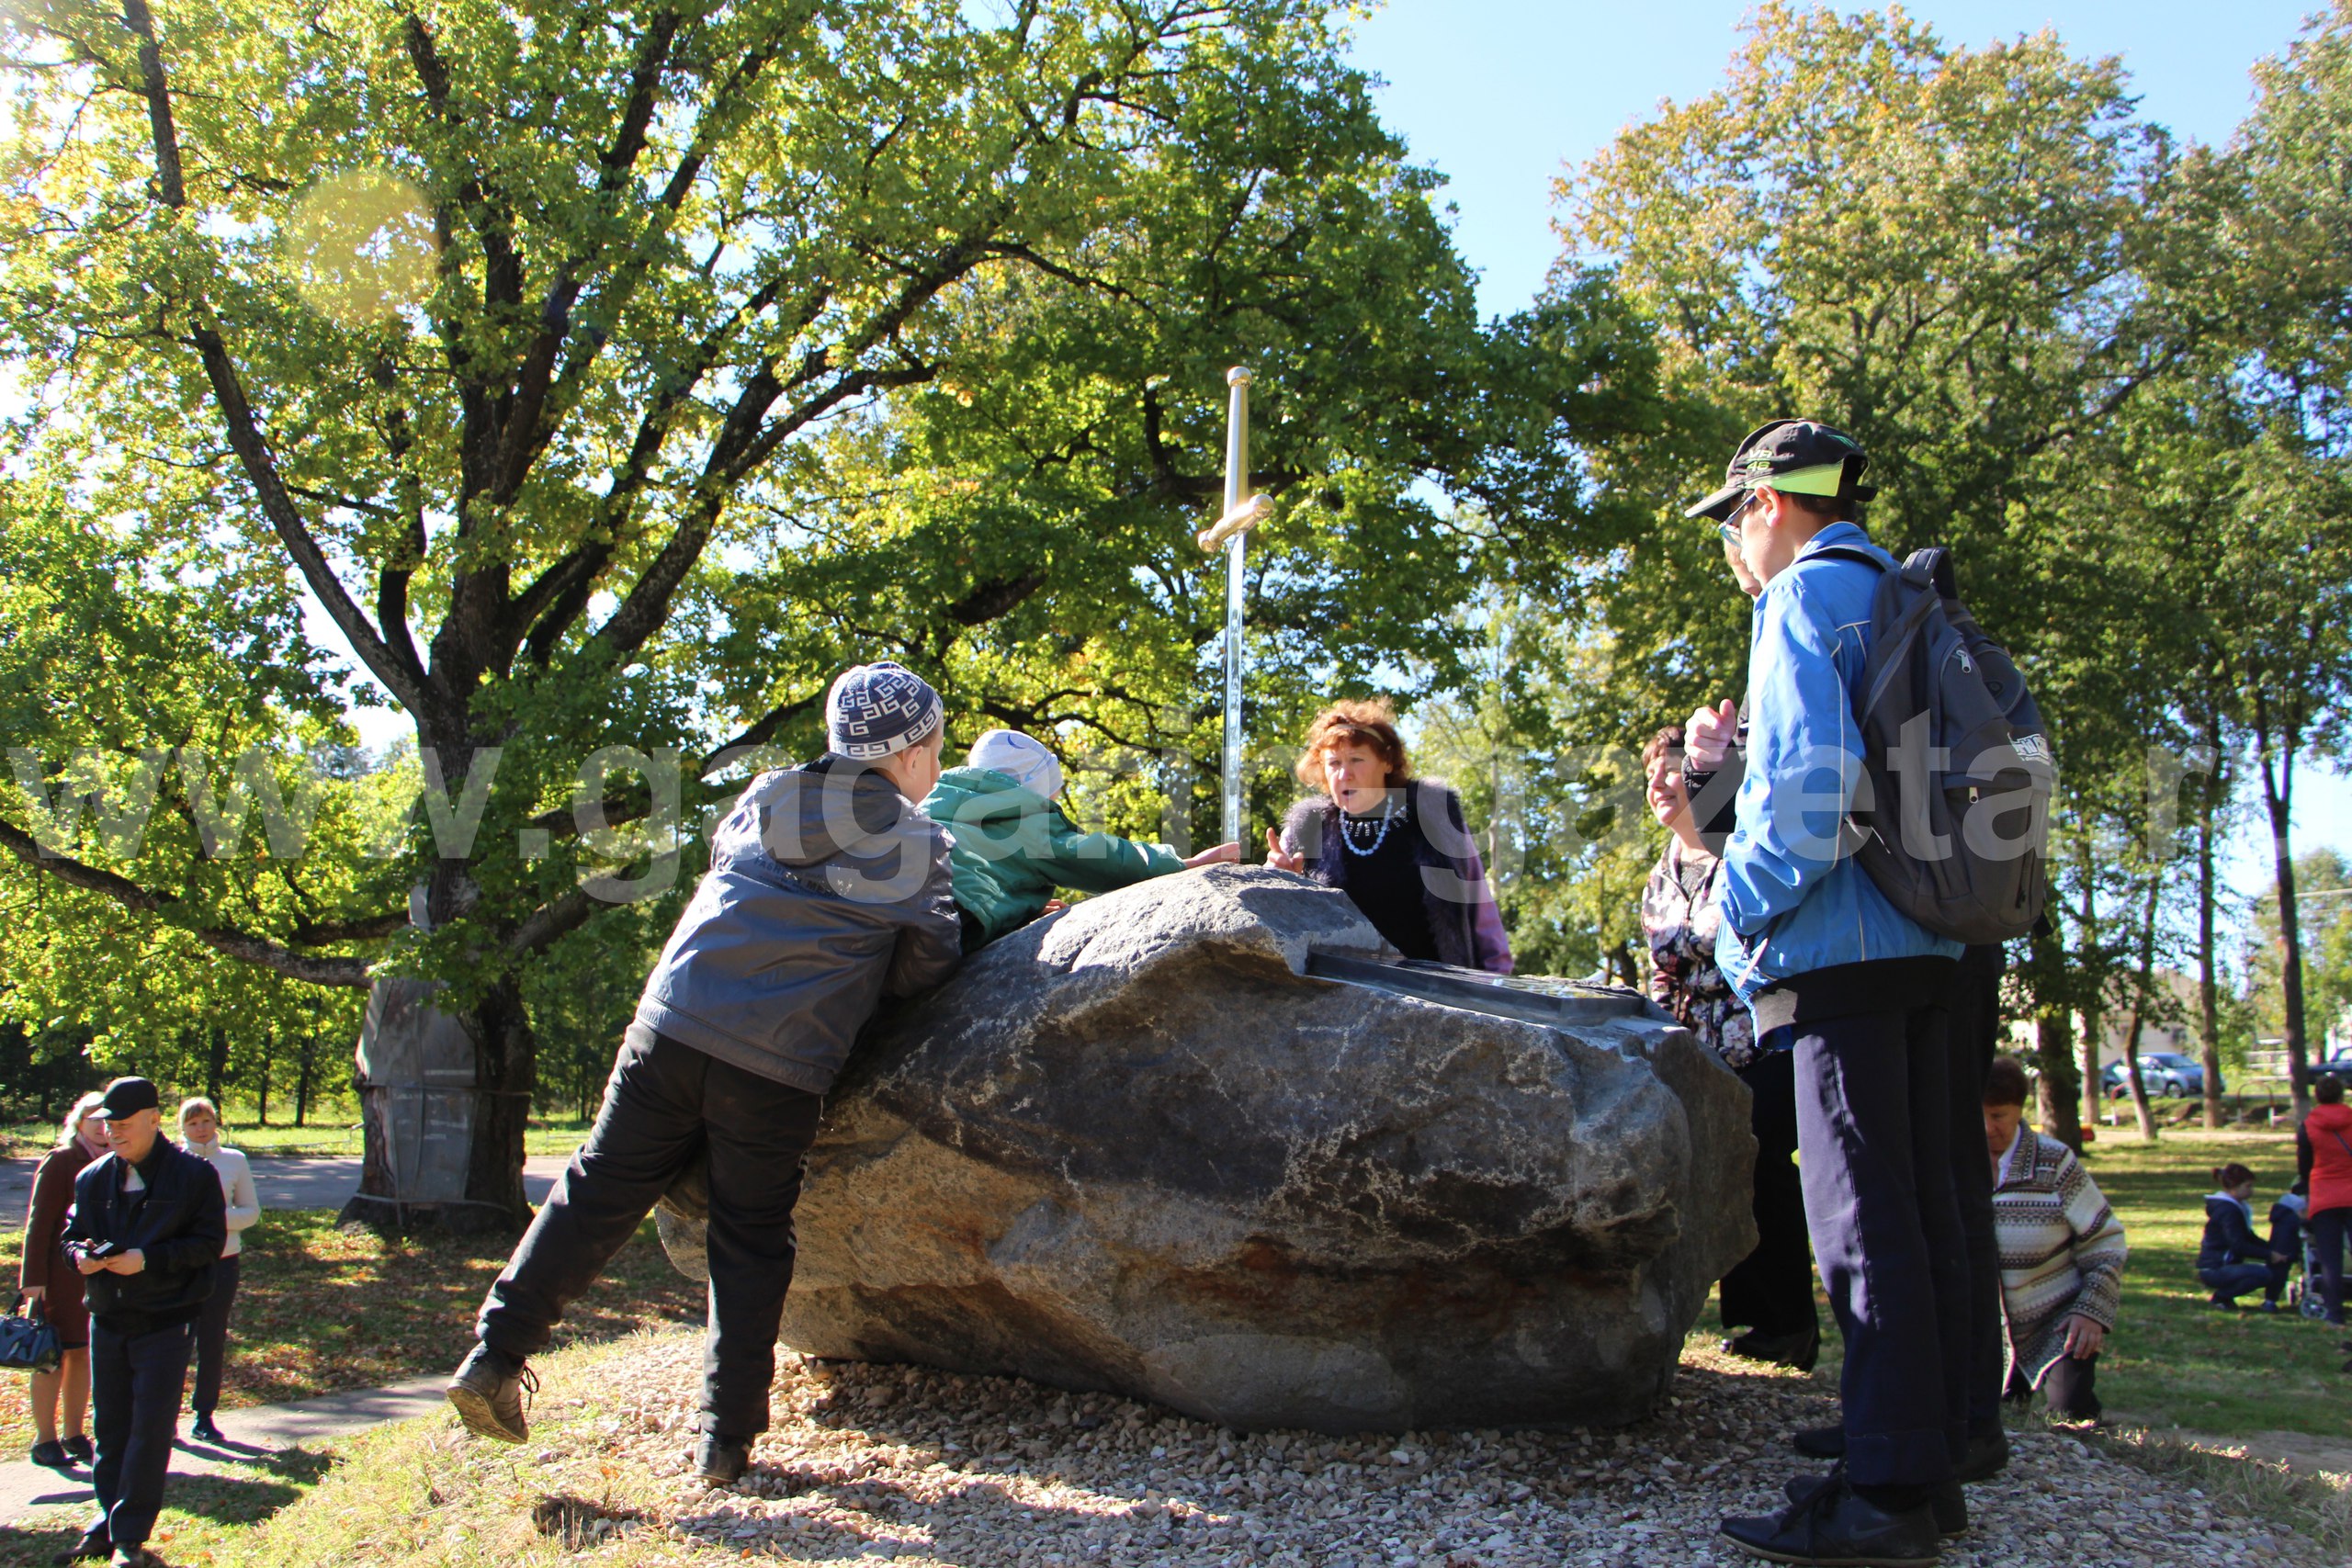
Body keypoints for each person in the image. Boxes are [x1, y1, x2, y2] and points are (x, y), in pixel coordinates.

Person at [447, 660, 963, 1485]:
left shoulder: (763, 795)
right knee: (750, 1239)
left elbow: (730, 870)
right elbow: (929, 964)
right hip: (779, 1060)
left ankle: (494, 1357)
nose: (937, 767)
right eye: (936, 750)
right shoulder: (916, 841)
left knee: (597, 1186)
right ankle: (725, 1444)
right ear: (908, 757)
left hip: (672, 1020)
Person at [1687, 421, 1972, 1567]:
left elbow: (1813, 791)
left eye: (1730, 523)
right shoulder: (1903, 596)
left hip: (1835, 949)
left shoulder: (1803, 601)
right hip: (1925, 940)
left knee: (1857, 1225)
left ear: (1766, 505)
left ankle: (1888, 1496)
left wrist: (1732, 909)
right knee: (1914, 1211)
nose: (1730, 550)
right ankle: (1928, 1458)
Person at [1639, 724, 1815, 1371]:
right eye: (1651, 775)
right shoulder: (1661, 876)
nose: (1659, 785)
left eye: (1671, 772)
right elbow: (1662, 973)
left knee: (1763, 1162)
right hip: (1696, 1049)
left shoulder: (1740, 854)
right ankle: (1746, 1318)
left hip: (1765, 1038)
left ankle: (1789, 1322)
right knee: (1716, 1170)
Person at [59, 1076, 228, 1568]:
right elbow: (72, 1234)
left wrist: (147, 1260)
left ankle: (130, 1540)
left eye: (125, 1125)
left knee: (149, 1430)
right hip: (108, 1318)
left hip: (165, 1320)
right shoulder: (93, 1178)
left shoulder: (193, 1176)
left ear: (155, 1120)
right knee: (109, 1428)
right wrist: (81, 1258)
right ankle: (107, 1522)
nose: (114, 1134)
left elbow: (207, 1245)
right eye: (108, 1125)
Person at [922, 728, 1239, 949]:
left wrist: (1018, 909)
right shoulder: (1023, 819)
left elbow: (985, 871)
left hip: (898, 896)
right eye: (1050, 796)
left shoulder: (933, 806)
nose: (1051, 806)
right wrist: (1180, 864)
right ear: (1029, 787)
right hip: (951, 916)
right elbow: (1098, 857)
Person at [1264, 699, 1512, 974]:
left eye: (1357, 759)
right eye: (1333, 763)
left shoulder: (1435, 815)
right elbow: (1267, 924)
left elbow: (1480, 910)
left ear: (1386, 761)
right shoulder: (1306, 828)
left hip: (1438, 997)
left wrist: (1497, 983)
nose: (1344, 774)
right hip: (1339, 999)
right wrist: (1278, 882)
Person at [1981, 1055, 2125, 1424]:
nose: (1987, 1127)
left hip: (2055, 1320)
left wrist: (2091, 1312)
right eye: (1977, 1114)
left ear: (2020, 1111)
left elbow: (2106, 1242)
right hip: (1979, 1327)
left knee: (2069, 1413)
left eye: (1998, 1116)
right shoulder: (1952, 1163)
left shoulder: (2053, 1161)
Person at [19, 1091, 108, 1472]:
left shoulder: (117, 1160)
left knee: (82, 1355)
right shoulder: (61, 1160)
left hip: (95, 1280)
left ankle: (75, 1433)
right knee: (50, 1359)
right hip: (56, 1279)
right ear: (78, 1122)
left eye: (108, 1120)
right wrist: (33, 1281)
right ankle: (45, 1439)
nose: (103, 1128)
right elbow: (39, 1224)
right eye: (94, 1120)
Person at [176, 1097, 258, 1444]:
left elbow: (250, 1211)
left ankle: (204, 1414)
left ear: (216, 1123)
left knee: (212, 1339)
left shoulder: (234, 1161)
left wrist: (214, 1222)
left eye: (206, 1121)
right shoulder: (171, 1162)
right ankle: (165, 1415)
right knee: (174, 1340)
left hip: (223, 1261)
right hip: (179, 1264)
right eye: (194, 1123)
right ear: (183, 1128)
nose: (201, 1128)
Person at [2297, 1076, 2352, 1329]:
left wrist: (2307, 1192)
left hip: (2324, 1196)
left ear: (2317, 1096)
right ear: (2342, 1095)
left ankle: (2334, 1314)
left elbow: (2305, 1166)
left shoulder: (2308, 1126)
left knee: (2330, 1259)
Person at [2197, 1163, 2275, 1310]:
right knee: (2263, 1274)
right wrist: (2269, 1255)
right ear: (2234, 1187)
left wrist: (2271, 1249)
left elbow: (2248, 1236)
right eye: (2248, 1186)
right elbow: (2238, 1245)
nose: (2252, 1191)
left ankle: (2225, 1299)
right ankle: (2221, 1298)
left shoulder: (2235, 1208)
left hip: (2221, 1265)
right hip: (2216, 1267)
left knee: (2263, 1272)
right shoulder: (2229, 1211)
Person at [2266, 1179, 2309, 1314]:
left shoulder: (2281, 1219)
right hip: (2285, 1254)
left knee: (2277, 1277)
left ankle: (2270, 1300)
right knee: (2279, 1277)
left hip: (2278, 1251)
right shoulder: (2293, 1221)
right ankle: (2270, 1301)